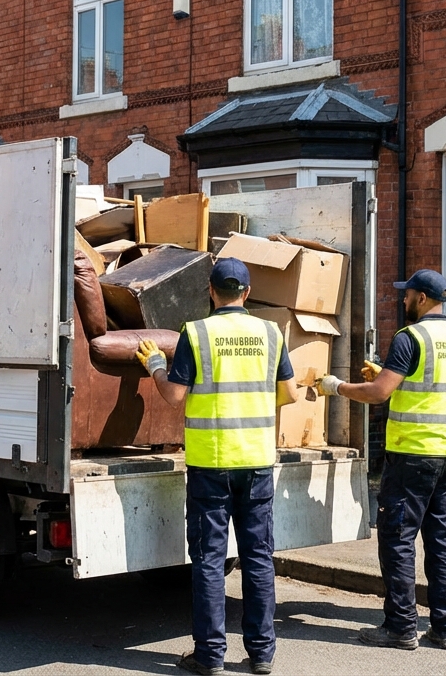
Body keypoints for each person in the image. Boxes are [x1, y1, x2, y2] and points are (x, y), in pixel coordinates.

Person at [137, 257, 299, 676]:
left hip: (211, 462)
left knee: (210, 559)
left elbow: (174, 396)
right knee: (258, 558)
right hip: (257, 459)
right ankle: (262, 654)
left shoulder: (197, 332)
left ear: (211, 292)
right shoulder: (271, 332)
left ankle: (209, 657)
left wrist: (155, 365)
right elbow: (290, 394)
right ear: (246, 293)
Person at [317, 269, 446, 651]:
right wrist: (385, 376)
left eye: (407, 294)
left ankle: (400, 626)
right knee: (442, 541)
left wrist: (337, 387)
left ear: (421, 298)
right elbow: (426, 388)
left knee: (398, 540)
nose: (403, 300)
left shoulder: (410, 337)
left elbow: (379, 393)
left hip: (413, 456)